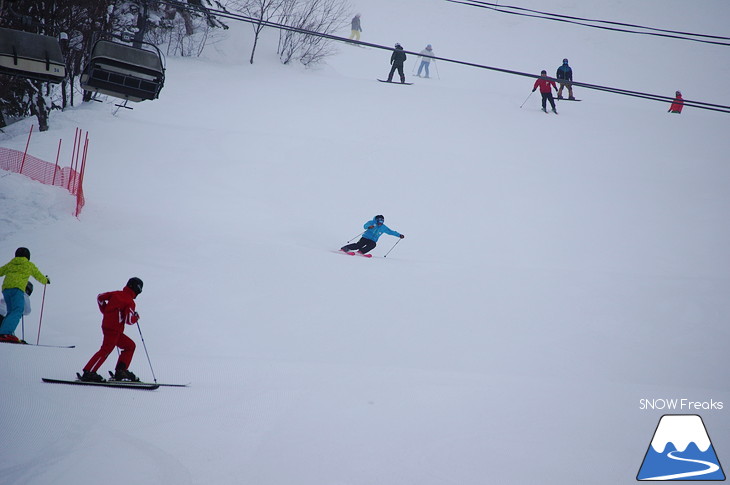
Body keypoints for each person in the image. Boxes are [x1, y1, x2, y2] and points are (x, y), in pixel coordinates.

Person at [80, 277, 143, 383]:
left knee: (129, 346)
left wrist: (105, 310)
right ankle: (89, 372)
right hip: (114, 330)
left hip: (109, 327)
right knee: (106, 350)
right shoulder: (130, 302)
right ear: (137, 289)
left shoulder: (115, 293)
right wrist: (135, 317)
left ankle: (121, 371)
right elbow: (128, 320)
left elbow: (100, 297)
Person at [0, 248, 49, 343]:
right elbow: (38, 275)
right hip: (17, 289)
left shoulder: (11, 264)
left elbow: (1, 271)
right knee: (17, 310)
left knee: (10, 311)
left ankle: (3, 333)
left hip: (6, 289)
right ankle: (6, 333)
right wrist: (46, 280)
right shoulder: (28, 265)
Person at [340, 215, 405, 256]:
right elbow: (365, 226)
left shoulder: (383, 227)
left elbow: (390, 232)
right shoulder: (371, 223)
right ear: (376, 220)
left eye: (382, 221)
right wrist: (369, 227)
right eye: (379, 221)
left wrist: (399, 235)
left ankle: (361, 252)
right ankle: (345, 248)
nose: (380, 223)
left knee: (373, 245)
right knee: (359, 245)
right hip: (365, 237)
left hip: (373, 240)